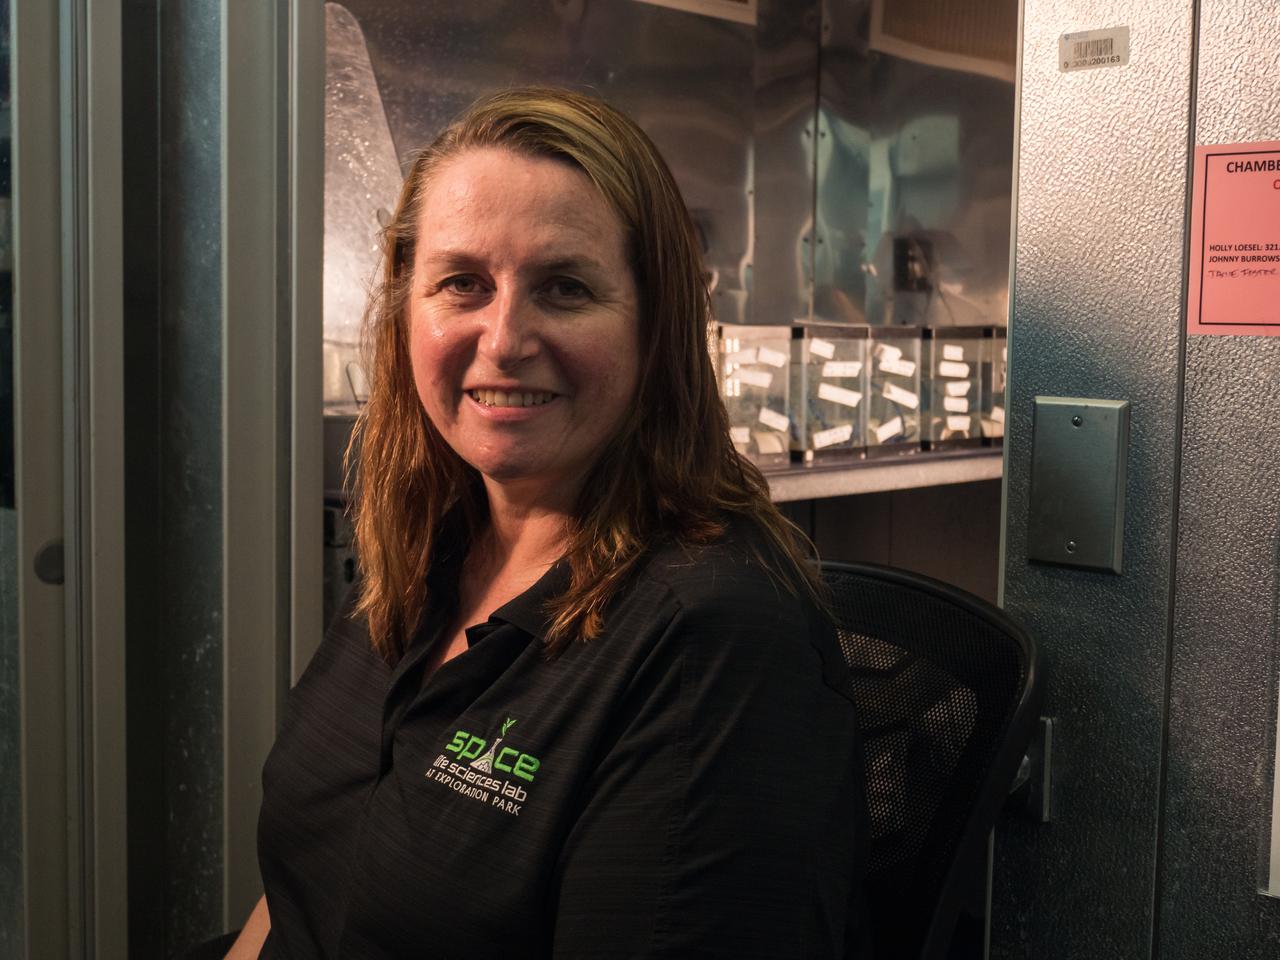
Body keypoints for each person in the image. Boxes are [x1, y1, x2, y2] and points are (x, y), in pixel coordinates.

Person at [229, 86, 869, 959]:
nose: (503, 340)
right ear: (404, 313)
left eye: (564, 288)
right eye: (462, 283)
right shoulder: (428, 545)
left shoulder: (712, 643)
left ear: (656, 325)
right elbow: (302, 880)